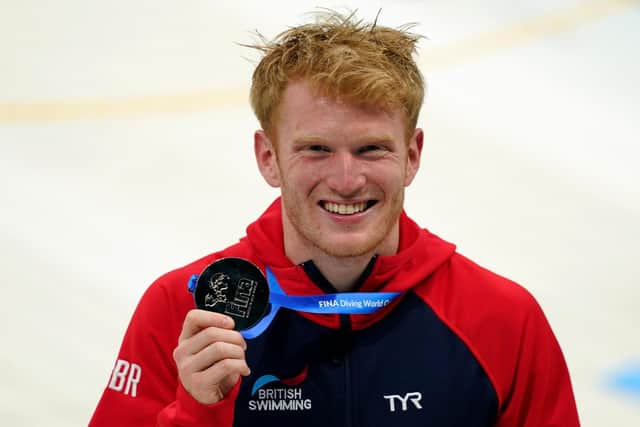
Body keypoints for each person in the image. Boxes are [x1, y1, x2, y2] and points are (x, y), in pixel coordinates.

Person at [89, 11, 580, 427]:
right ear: (268, 158)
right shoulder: (182, 310)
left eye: (371, 149)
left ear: (412, 154)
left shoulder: (502, 319)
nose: (346, 180)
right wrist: (197, 413)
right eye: (316, 149)